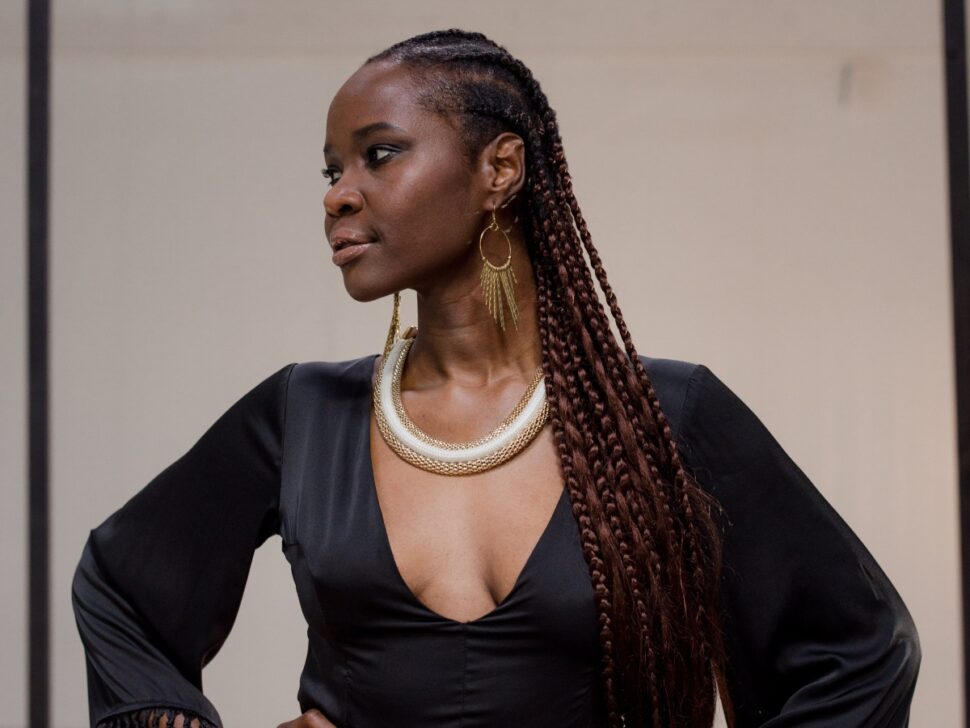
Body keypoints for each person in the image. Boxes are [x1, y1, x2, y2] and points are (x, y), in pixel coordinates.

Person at [72, 29, 921, 728]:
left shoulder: (663, 415)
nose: (339, 196)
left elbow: (859, 650)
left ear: (499, 170)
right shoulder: (303, 414)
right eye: (333, 171)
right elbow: (122, 588)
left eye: (380, 155)